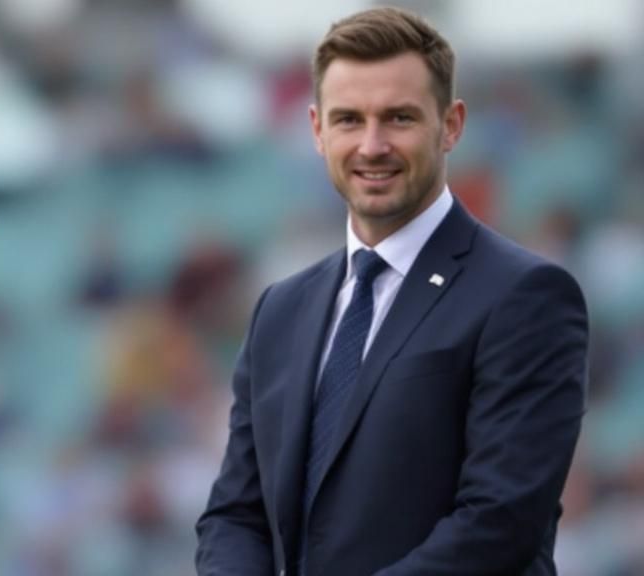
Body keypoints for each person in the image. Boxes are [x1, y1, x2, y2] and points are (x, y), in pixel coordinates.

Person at [196, 7, 588, 576]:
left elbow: (500, 520)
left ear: (451, 125)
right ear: (317, 130)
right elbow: (236, 515)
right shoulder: (280, 310)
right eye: (349, 119)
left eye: (398, 118)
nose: (372, 145)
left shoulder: (525, 297)